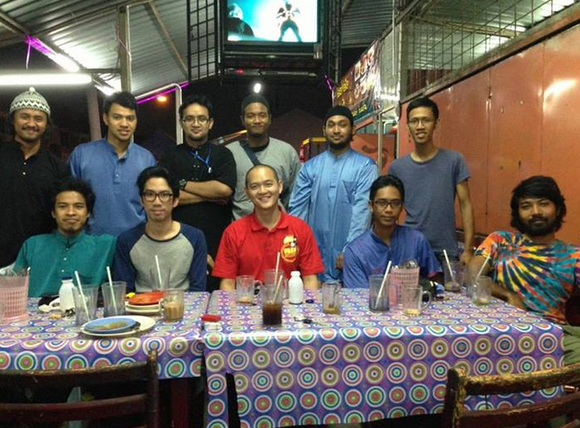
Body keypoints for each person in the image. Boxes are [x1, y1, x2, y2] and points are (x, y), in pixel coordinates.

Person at [469, 176, 580, 365]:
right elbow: (472, 276)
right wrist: (508, 295)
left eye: (544, 204)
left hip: (552, 334)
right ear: (517, 213)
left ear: (558, 209)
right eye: (526, 206)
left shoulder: (573, 255)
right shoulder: (501, 241)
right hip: (498, 329)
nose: (536, 212)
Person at [289, 105, 378, 281]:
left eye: (342, 125)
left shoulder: (365, 167)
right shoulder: (309, 168)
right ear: (324, 130)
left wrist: (351, 251)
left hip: (350, 259)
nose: (336, 130)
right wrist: (297, 248)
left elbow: (362, 213)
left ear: (353, 129)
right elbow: (298, 212)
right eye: (331, 125)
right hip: (313, 257)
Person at [160, 94, 236, 292]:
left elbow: (225, 189)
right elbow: (166, 197)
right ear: (181, 123)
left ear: (210, 123)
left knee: (218, 299)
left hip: (217, 242)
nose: (196, 124)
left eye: (201, 118)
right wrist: (210, 195)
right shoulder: (169, 156)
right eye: (189, 119)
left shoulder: (223, 155)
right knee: (179, 297)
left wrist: (182, 184)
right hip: (177, 241)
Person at [388, 97, 474, 266]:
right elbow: (391, 210)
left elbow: (465, 205)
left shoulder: (454, 161)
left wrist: (468, 249)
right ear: (407, 126)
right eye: (414, 121)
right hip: (410, 249)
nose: (420, 126)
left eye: (426, 120)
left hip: (446, 252)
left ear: (436, 124)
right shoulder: (397, 167)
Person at [213, 165, 323, 290]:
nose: (262, 191)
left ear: (280, 186)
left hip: (289, 300)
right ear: (246, 192)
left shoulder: (300, 229)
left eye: (268, 184)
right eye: (254, 186)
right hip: (246, 300)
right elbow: (227, 284)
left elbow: (310, 280)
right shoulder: (233, 232)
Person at [68, 91, 156, 236]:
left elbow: (153, 205)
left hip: (136, 243)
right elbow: (69, 201)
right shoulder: (81, 155)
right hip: (91, 243)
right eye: (117, 117)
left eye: (130, 118)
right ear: (105, 118)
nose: (124, 124)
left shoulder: (147, 159)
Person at [0, 87, 69, 268]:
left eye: (38, 118)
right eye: (24, 116)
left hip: (41, 260)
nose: (31, 123)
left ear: (46, 124)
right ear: (13, 120)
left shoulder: (58, 168)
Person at [14, 178, 115, 297]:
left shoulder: (106, 246)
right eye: (62, 206)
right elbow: (13, 290)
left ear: (88, 213)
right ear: (53, 212)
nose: (70, 212)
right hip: (37, 308)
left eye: (78, 206)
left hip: (85, 308)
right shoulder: (32, 246)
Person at [113, 166, 207, 292]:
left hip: (183, 303)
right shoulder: (127, 240)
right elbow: (125, 292)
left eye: (164, 195)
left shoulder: (195, 237)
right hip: (140, 303)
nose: (157, 202)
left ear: (175, 201)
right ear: (141, 200)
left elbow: (198, 291)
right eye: (150, 194)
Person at [343, 175, 441, 288]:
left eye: (395, 203)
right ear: (371, 206)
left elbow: (435, 281)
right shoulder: (355, 252)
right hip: (371, 300)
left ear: (402, 207)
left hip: (413, 299)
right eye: (382, 203)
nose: (389, 209)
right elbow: (358, 295)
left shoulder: (417, 241)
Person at [227, 94, 300, 220]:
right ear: (242, 120)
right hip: (241, 228)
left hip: (279, 228)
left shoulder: (287, 152)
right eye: (250, 116)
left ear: (270, 118)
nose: (257, 120)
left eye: (262, 115)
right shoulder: (229, 153)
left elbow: (296, 195)